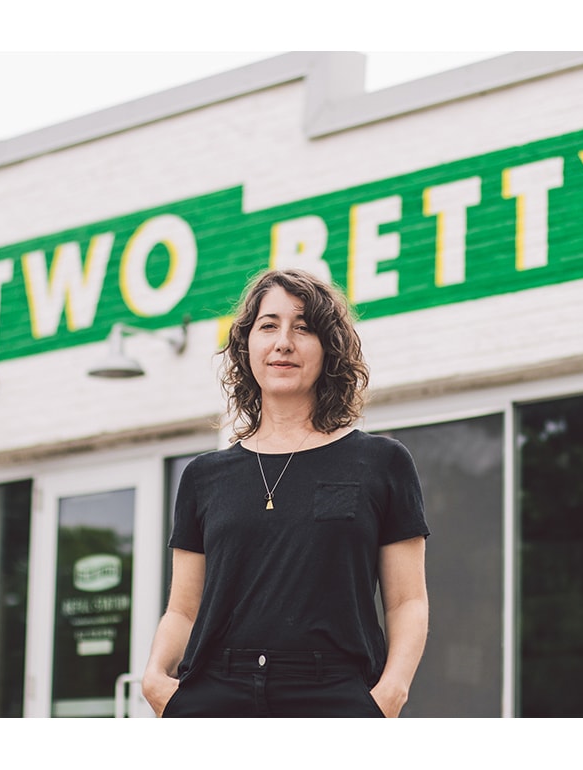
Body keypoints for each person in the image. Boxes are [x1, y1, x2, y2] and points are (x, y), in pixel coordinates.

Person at [141, 268, 430, 718]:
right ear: (246, 346)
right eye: (268, 325)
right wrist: (157, 679)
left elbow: (407, 600)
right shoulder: (204, 476)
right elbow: (183, 607)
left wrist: (391, 692)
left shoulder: (381, 462)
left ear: (328, 349)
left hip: (335, 693)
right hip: (216, 692)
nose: (284, 342)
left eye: (304, 327)